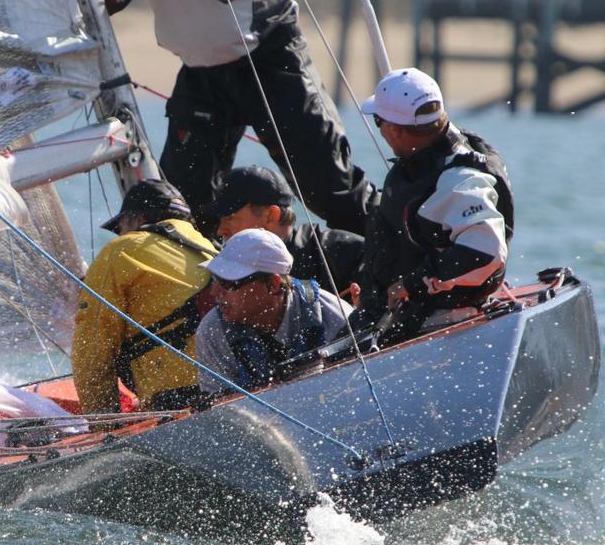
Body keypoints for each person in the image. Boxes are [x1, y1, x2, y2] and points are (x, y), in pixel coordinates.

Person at [89, 0, 377, 237]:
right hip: (201, 73)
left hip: (270, 61)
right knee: (183, 204)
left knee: (329, 190)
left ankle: (393, 259)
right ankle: (204, 280)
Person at [355, 68, 514, 343]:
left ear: (393, 129)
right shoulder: (437, 153)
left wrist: (413, 284)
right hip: (404, 312)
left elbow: (485, 253)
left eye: (378, 122)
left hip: (437, 320)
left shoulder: (458, 179)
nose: (380, 131)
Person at [71, 179, 219, 414]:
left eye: (119, 228)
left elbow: (92, 349)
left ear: (137, 218)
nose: (119, 235)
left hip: (177, 398)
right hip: (230, 384)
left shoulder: (121, 250)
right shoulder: (211, 248)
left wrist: (105, 422)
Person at [194, 228, 352, 392]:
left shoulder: (336, 318)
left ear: (274, 284)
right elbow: (219, 412)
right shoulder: (211, 331)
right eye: (215, 279)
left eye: (228, 283)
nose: (214, 292)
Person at [208, 166, 364, 296]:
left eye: (230, 218)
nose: (221, 230)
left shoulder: (346, 253)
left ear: (271, 215)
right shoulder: (221, 266)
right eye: (219, 220)